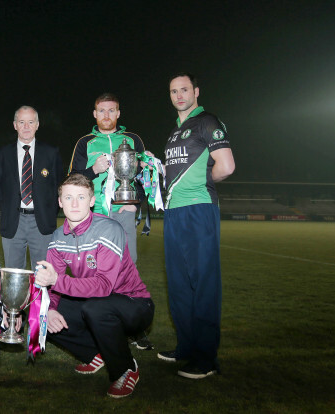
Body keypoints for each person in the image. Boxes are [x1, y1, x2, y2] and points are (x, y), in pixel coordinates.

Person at [34, 174, 154, 399]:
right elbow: (53, 283)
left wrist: (56, 281)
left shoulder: (109, 229)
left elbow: (104, 286)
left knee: (96, 308)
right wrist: (49, 309)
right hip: (95, 303)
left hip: (134, 304)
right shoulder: (58, 238)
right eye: (68, 197)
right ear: (60, 202)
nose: (74, 203)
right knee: (38, 312)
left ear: (91, 201)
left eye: (81, 197)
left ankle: (126, 369)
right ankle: (95, 353)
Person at [157, 72, 235, 379]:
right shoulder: (175, 132)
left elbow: (226, 166)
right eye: (173, 91)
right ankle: (186, 347)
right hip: (174, 212)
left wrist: (202, 183)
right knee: (178, 284)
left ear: (196, 92)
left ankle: (206, 358)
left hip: (199, 209)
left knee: (203, 283)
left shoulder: (207, 121)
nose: (179, 95)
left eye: (184, 89)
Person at [68, 93, 146, 264]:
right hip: (93, 212)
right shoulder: (85, 142)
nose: (106, 115)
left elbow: (144, 176)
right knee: (93, 265)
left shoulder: (133, 140)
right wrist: (94, 170)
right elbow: (72, 181)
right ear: (94, 113)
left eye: (111, 110)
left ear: (118, 113)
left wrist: (135, 203)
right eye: (101, 111)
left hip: (124, 210)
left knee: (127, 264)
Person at [0, 106, 63, 269]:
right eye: (22, 122)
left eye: (31, 122)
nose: (26, 127)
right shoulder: (2, 154)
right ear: (15, 125)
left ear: (37, 125)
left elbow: (59, 187)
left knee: (43, 274)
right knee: (13, 275)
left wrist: (49, 212)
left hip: (42, 222)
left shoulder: (51, 153)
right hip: (13, 221)